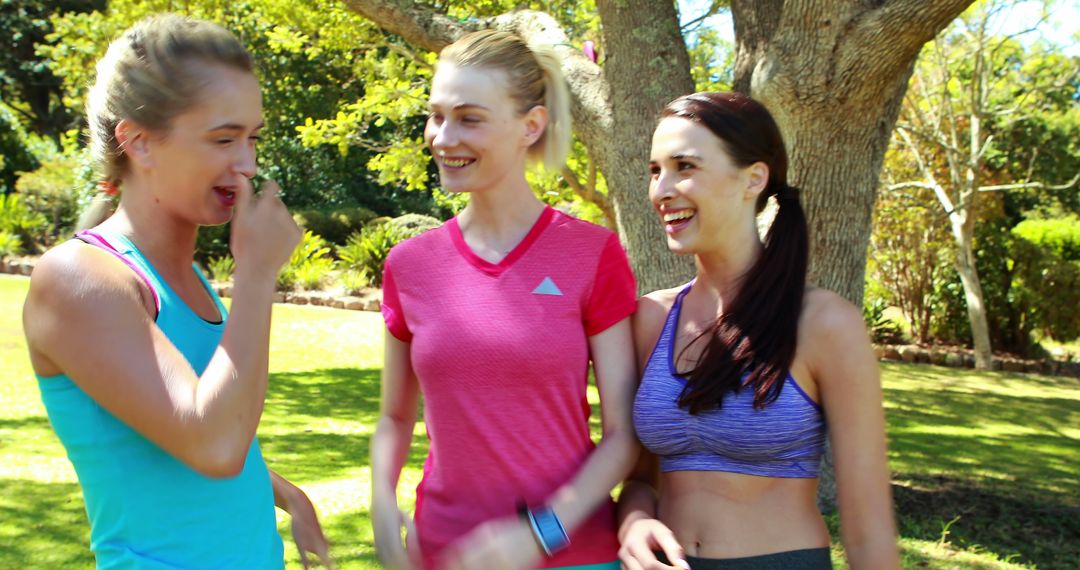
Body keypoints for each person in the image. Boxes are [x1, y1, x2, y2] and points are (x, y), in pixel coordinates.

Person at [22, 14, 332, 569]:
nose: (248, 164)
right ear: (139, 142)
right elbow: (211, 444)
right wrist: (258, 275)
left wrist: (284, 492)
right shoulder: (79, 277)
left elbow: (178, 439)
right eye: (223, 138)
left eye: (253, 138)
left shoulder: (189, 282)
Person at [370, 30, 640, 570]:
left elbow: (623, 436)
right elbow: (395, 418)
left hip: (572, 556)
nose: (443, 137)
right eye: (436, 115)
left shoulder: (591, 253)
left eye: (469, 118)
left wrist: (539, 534)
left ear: (531, 126)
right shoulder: (409, 265)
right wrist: (381, 504)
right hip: (444, 552)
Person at [617, 92, 899, 570]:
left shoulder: (825, 324)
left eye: (684, 166)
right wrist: (634, 521)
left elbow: (866, 521)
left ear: (754, 178)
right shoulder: (651, 318)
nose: (662, 189)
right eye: (654, 170)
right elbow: (642, 476)